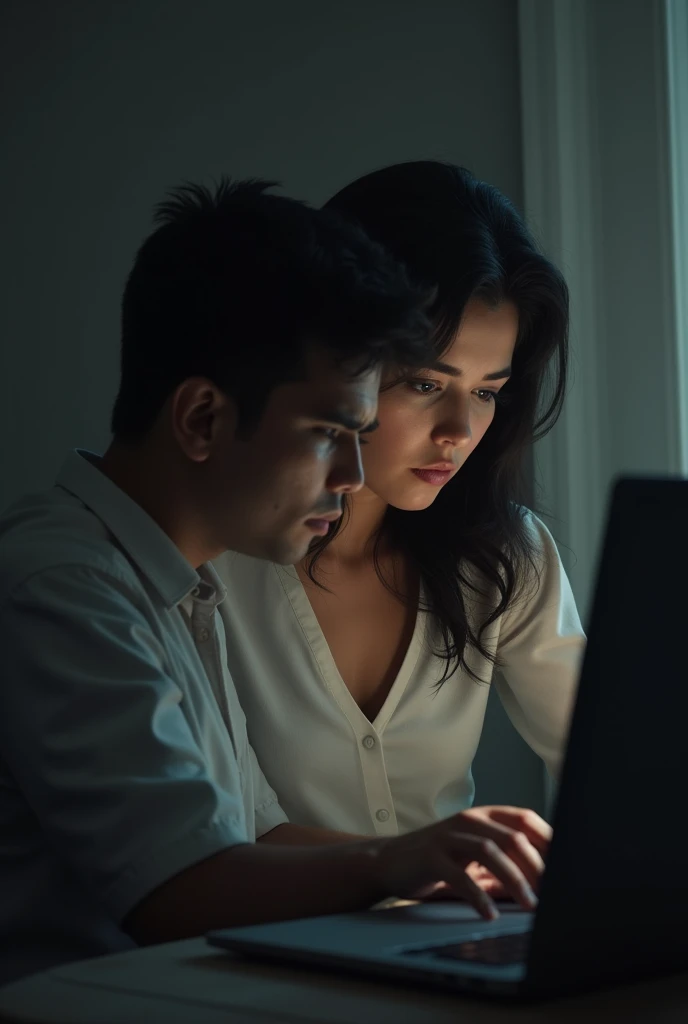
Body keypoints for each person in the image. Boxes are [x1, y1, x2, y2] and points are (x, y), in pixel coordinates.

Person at [0, 177, 544, 987]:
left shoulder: (185, 587)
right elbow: (175, 890)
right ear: (202, 419)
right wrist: (397, 862)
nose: (353, 474)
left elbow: (247, 840)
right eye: (329, 434)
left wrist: (449, 867)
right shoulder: (64, 584)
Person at [214, 161, 585, 866]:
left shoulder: (505, 554)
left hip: (446, 946)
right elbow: (208, 842)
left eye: (487, 392)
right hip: (246, 954)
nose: (459, 431)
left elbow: (618, 769)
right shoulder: (215, 561)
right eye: (424, 383)